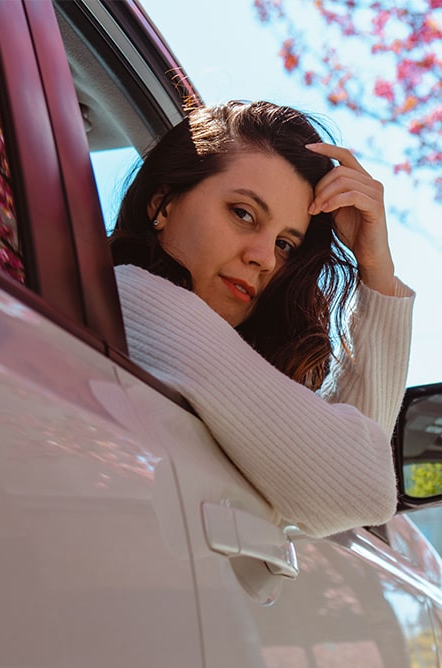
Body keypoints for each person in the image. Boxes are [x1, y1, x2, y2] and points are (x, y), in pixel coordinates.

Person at [110, 100, 414, 538]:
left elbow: (355, 482)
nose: (264, 258)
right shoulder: (140, 298)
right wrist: (377, 273)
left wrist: (375, 267)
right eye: (243, 214)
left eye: (286, 244)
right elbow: (361, 490)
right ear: (163, 203)